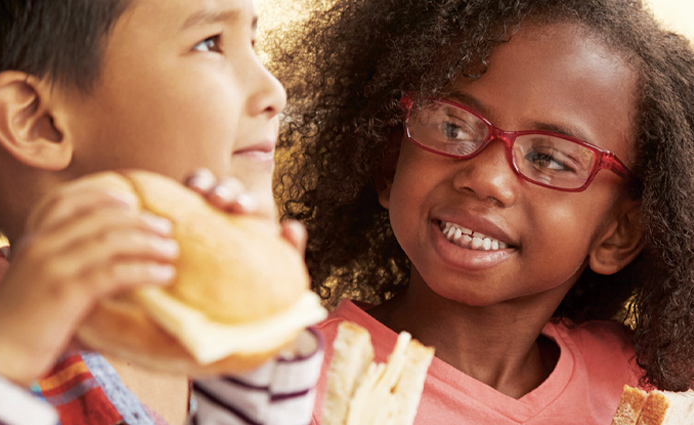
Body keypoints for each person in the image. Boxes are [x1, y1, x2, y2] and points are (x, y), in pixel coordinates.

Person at [268, 0, 694, 423]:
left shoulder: (641, 384)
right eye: (454, 127)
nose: (485, 178)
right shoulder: (283, 387)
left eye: (550, 159)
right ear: (390, 165)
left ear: (617, 234)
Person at [0, 0, 323, 424]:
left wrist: (258, 329)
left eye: (252, 41)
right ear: (39, 121)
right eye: (209, 43)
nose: (275, 91)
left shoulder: (241, 355)